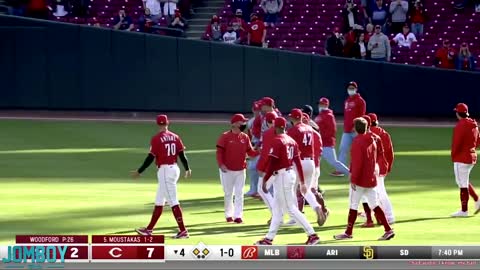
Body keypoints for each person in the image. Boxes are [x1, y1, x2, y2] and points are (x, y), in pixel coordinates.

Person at [256, 117, 320, 245]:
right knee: (278, 210)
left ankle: (312, 235)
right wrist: (302, 182)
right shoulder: (291, 141)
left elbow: (273, 163)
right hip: (290, 174)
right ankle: (269, 238)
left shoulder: (277, 141)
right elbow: (298, 162)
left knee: (290, 209)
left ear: (277, 127)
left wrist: (265, 180)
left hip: (282, 176)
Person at [334, 118, 395, 241]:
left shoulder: (358, 141)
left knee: (353, 205)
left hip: (361, 180)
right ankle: (388, 230)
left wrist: (353, 178)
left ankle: (348, 232)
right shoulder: (372, 140)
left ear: (356, 128)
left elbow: (357, 162)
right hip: (371, 179)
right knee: (375, 205)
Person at [132, 115, 192, 238]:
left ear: (157, 124)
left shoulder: (156, 139)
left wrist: (140, 171)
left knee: (173, 201)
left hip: (165, 171)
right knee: (159, 201)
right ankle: (149, 230)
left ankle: (183, 231)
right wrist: (187, 168)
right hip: (174, 169)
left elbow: (150, 158)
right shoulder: (175, 137)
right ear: (167, 123)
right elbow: (182, 155)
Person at [287, 108, 328, 226]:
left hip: (299, 163)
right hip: (310, 163)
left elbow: (289, 148)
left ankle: (295, 217)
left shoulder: (293, 130)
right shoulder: (310, 129)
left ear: (293, 118)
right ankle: (316, 207)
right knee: (306, 190)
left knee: (293, 190)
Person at [216, 114, 259, 223]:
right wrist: (221, 164)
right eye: (241, 122)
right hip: (227, 170)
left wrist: (260, 150)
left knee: (239, 193)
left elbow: (250, 152)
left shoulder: (245, 137)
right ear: (235, 123)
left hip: (240, 170)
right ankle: (228, 215)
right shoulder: (225, 136)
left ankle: (238, 216)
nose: (244, 124)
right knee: (228, 193)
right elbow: (219, 152)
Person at [450, 103, 480, 217]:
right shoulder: (474, 124)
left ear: (458, 113)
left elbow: (456, 143)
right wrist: (471, 149)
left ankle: (464, 210)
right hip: (471, 157)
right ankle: (477, 200)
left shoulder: (460, 125)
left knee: (462, 183)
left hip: (461, 158)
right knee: (464, 181)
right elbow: (478, 141)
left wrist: (454, 155)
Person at [369, 113, 395, 224]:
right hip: (382, 166)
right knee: (374, 192)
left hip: (372, 167)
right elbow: (390, 153)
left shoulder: (368, 134)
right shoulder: (385, 133)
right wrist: (388, 166)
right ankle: (372, 214)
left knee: (378, 191)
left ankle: (389, 216)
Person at [315, 97, 350, 177]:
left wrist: (321, 137)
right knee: (315, 160)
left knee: (334, 162)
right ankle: (314, 178)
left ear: (326, 105)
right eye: (319, 104)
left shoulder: (329, 116)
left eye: (322, 104)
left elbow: (332, 130)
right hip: (319, 143)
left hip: (326, 143)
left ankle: (351, 173)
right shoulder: (321, 115)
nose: (320, 106)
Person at [338, 81, 367, 167]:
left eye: (352, 88)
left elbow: (362, 116)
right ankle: (341, 169)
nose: (350, 90)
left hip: (356, 130)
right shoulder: (347, 101)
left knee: (358, 150)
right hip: (346, 130)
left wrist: (357, 126)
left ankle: (362, 167)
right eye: (349, 88)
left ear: (356, 89)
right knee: (343, 149)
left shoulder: (360, 101)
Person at [246, 101, 262, 198]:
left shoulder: (264, 120)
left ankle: (260, 191)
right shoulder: (250, 122)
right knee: (252, 168)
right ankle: (253, 189)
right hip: (253, 146)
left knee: (259, 168)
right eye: (255, 110)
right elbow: (249, 136)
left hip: (261, 146)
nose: (257, 112)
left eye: (258, 110)